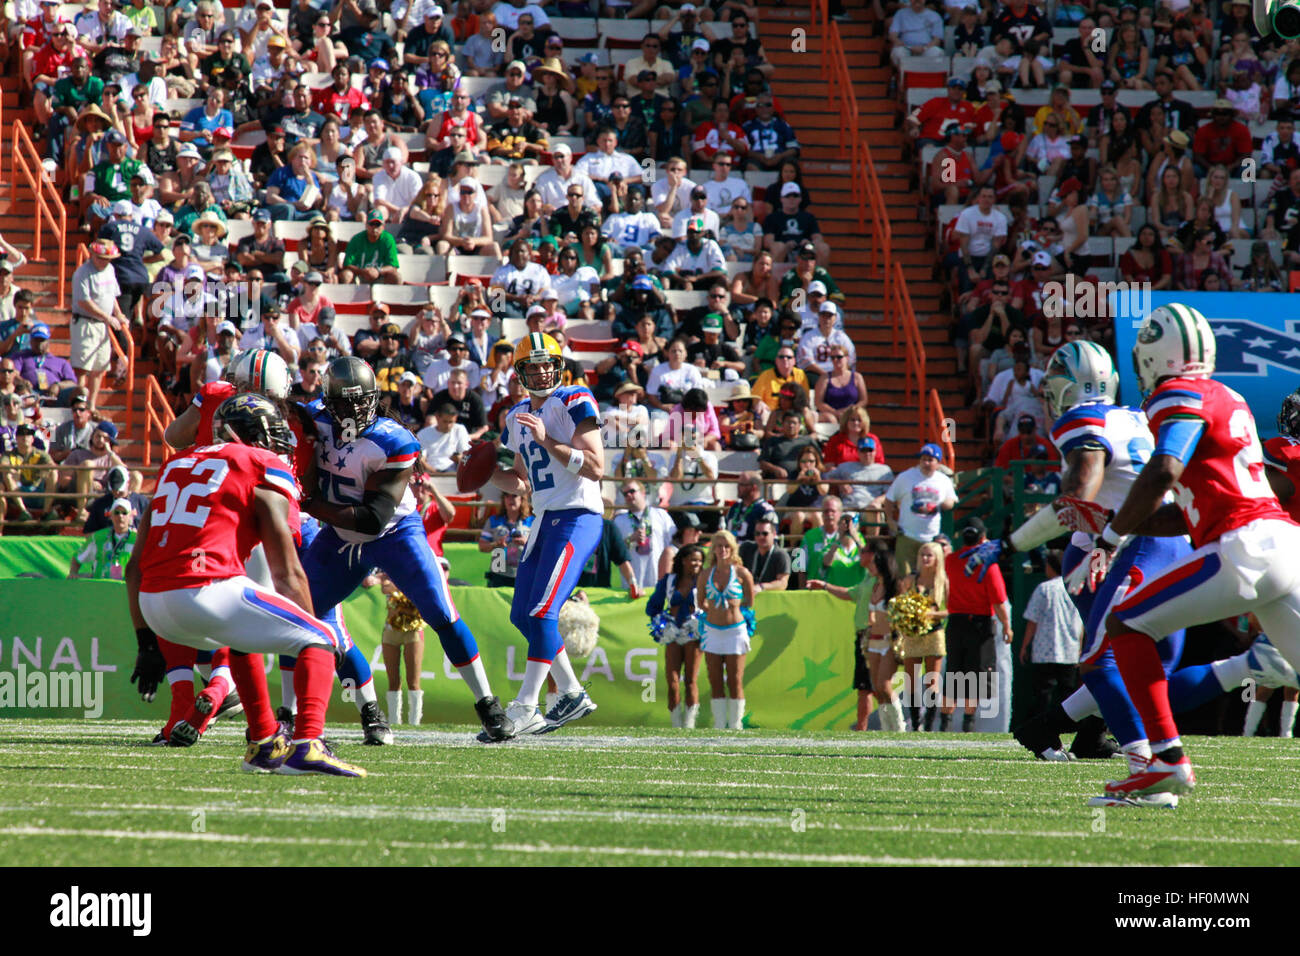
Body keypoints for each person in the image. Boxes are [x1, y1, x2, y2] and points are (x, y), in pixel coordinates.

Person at [1078, 306, 1300, 802]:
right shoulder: (1231, 395)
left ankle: (1166, 762)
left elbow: (1163, 470)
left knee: (1125, 623)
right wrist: (1121, 523)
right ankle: (1162, 770)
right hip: (1285, 545)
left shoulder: (1176, 393)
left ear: (1157, 355)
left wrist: (1111, 538)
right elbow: (1187, 510)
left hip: (1244, 548)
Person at [125, 393, 367, 776]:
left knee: (243, 636)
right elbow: (287, 571)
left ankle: (265, 741)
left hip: (155, 604)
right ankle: (308, 745)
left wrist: (145, 640)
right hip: (205, 590)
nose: (275, 443)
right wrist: (311, 637)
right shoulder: (259, 461)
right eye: (269, 434)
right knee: (323, 637)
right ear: (247, 434)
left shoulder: (176, 464)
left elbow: (133, 568)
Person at [300, 356, 513, 742]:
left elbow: (373, 518)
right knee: (309, 620)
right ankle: (368, 712)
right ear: (328, 402)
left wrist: (310, 504)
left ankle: (487, 704)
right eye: (342, 403)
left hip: (394, 532)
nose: (351, 411)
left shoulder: (392, 438)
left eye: (358, 401)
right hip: (339, 536)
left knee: (441, 613)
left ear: (373, 398)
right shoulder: (312, 417)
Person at [482, 332, 606, 736]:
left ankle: (527, 705)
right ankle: (570, 691)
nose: (539, 372)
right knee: (524, 615)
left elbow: (595, 466)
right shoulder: (516, 415)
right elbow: (520, 483)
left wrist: (547, 440)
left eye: (545, 364)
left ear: (559, 365)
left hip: (577, 515)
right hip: (544, 517)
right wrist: (482, 470)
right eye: (530, 366)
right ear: (519, 373)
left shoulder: (573, 399)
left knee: (542, 611)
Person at [810, 541, 898, 731]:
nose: (861, 553)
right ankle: (886, 727)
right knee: (870, 685)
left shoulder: (884, 582)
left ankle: (885, 726)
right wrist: (825, 585)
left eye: (865, 550)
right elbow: (851, 593)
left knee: (872, 687)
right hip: (866, 636)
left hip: (877, 636)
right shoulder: (869, 578)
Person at [698, 529, 755, 730]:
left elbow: (749, 601)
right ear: (712, 549)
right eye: (718, 546)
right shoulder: (705, 574)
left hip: (735, 631)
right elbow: (700, 602)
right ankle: (720, 724)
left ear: (732, 549)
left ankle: (736, 724)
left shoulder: (742, 573)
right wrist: (714, 611)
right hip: (712, 631)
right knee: (714, 679)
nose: (722, 550)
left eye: (726, 546)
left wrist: (732, 608)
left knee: (734, 679)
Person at [647, 543, 705, 728]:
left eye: (699, 561)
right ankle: (676, 723)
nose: (696, 564)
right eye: (692, 560)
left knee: (690, 680)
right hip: (672, 631)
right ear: (683, 561)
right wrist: (661, 622)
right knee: (672, 680)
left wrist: (702, 619)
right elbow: (653, 606)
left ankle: (689, 724)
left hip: (693, 633)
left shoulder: (704, 580)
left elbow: (711, 604)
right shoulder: (669, 580)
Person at [1020, 549, 1082, 721]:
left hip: (1044, 650)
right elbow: (1081, 621)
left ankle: (1039, 724)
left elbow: (1032, 620)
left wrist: (1025, 645)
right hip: (1070, 649)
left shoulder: (1044, 589)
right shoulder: (1075, 588)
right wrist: (1080, 646)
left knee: (1042, 693)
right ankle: (1069, 726)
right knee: (1068, 693)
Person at [894, 540, 949, 732]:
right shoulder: (910, 580)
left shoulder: (943, 581)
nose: (925, 559)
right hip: (912, 634)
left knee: (931, 680)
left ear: (937, 559)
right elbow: (900, 603)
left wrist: (931, 614)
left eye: (929, 555)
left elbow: (950, 610)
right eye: (922, 555)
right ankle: (916, 723)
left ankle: (929, 725)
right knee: (910, 680)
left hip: (934, 634)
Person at [70, 240, 127, 413]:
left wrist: (118, 314)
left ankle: (91, 405)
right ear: (93, 255)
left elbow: (112, 295)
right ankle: (79, 403)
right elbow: (84, 301)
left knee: (100, 366)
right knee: (83, 367)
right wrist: (107, 317)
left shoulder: (110, 270)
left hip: (102, 324)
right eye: (101, 258)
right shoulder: (83, 273)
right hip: (85, 322)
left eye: (108, 258)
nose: (104, 261)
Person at [884, 443, 957, 574]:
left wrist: (943, 503)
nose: (926, 463)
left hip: (931, 538)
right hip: (907, 536)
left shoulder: (943, 480)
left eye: (930, 460)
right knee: (904, 578)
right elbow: (889, 499)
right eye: (923, 459)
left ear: (938, 463)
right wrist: (889, 520)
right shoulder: (906, 477)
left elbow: (951, 501)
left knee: (929, 578)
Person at [613, 479, 677, 590]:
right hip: (632, 584)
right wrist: (630, 540)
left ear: (643, 493)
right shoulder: (619, 521)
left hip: (657, 579)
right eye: (625, 494)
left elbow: (673, 544)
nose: (628, 495)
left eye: (632, 491)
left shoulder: (661, 515)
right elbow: (614, 551)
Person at [70, 497, 136, 579]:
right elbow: (77, 558)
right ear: (111, 515)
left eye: (124, 513)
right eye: (116, 512)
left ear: (130, 516)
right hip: (101, 588)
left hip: (125, 589)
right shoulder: (98, 537)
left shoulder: (137, 539)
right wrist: (73, 573)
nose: (120, 516)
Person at [738, 518, 789, 591]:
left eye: (765, 533)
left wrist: (761, 587)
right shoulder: (746, 548)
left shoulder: (781, 555)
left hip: (770, 599)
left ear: (774, 534)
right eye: (757, 534)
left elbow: (782, 583)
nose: (761, 537)